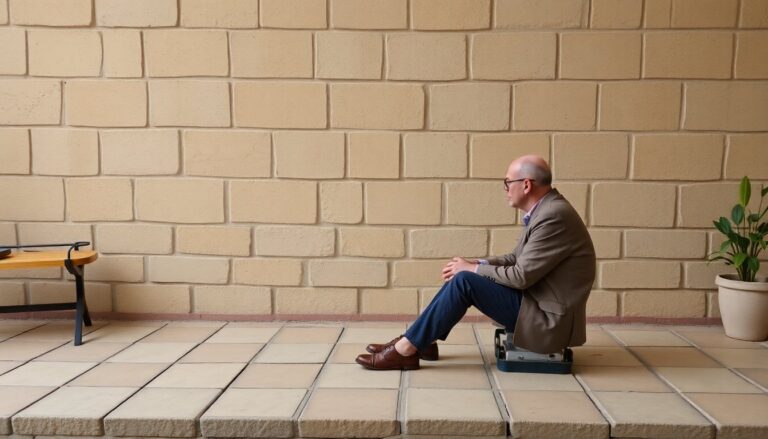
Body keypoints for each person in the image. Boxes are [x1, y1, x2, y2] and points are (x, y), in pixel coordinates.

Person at [356, 155, 596, 370]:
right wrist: (477, 262)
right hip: (537, 302)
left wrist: (473, 270)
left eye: (507, 183)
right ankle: (420, 341)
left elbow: (521, 276)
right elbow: (515, 258)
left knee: (465, 282)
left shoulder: (553, 215)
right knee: (464, 277)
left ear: (525, 184)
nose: (505, 189)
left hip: (547, 318)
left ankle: (407, 349)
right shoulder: (546, 210)